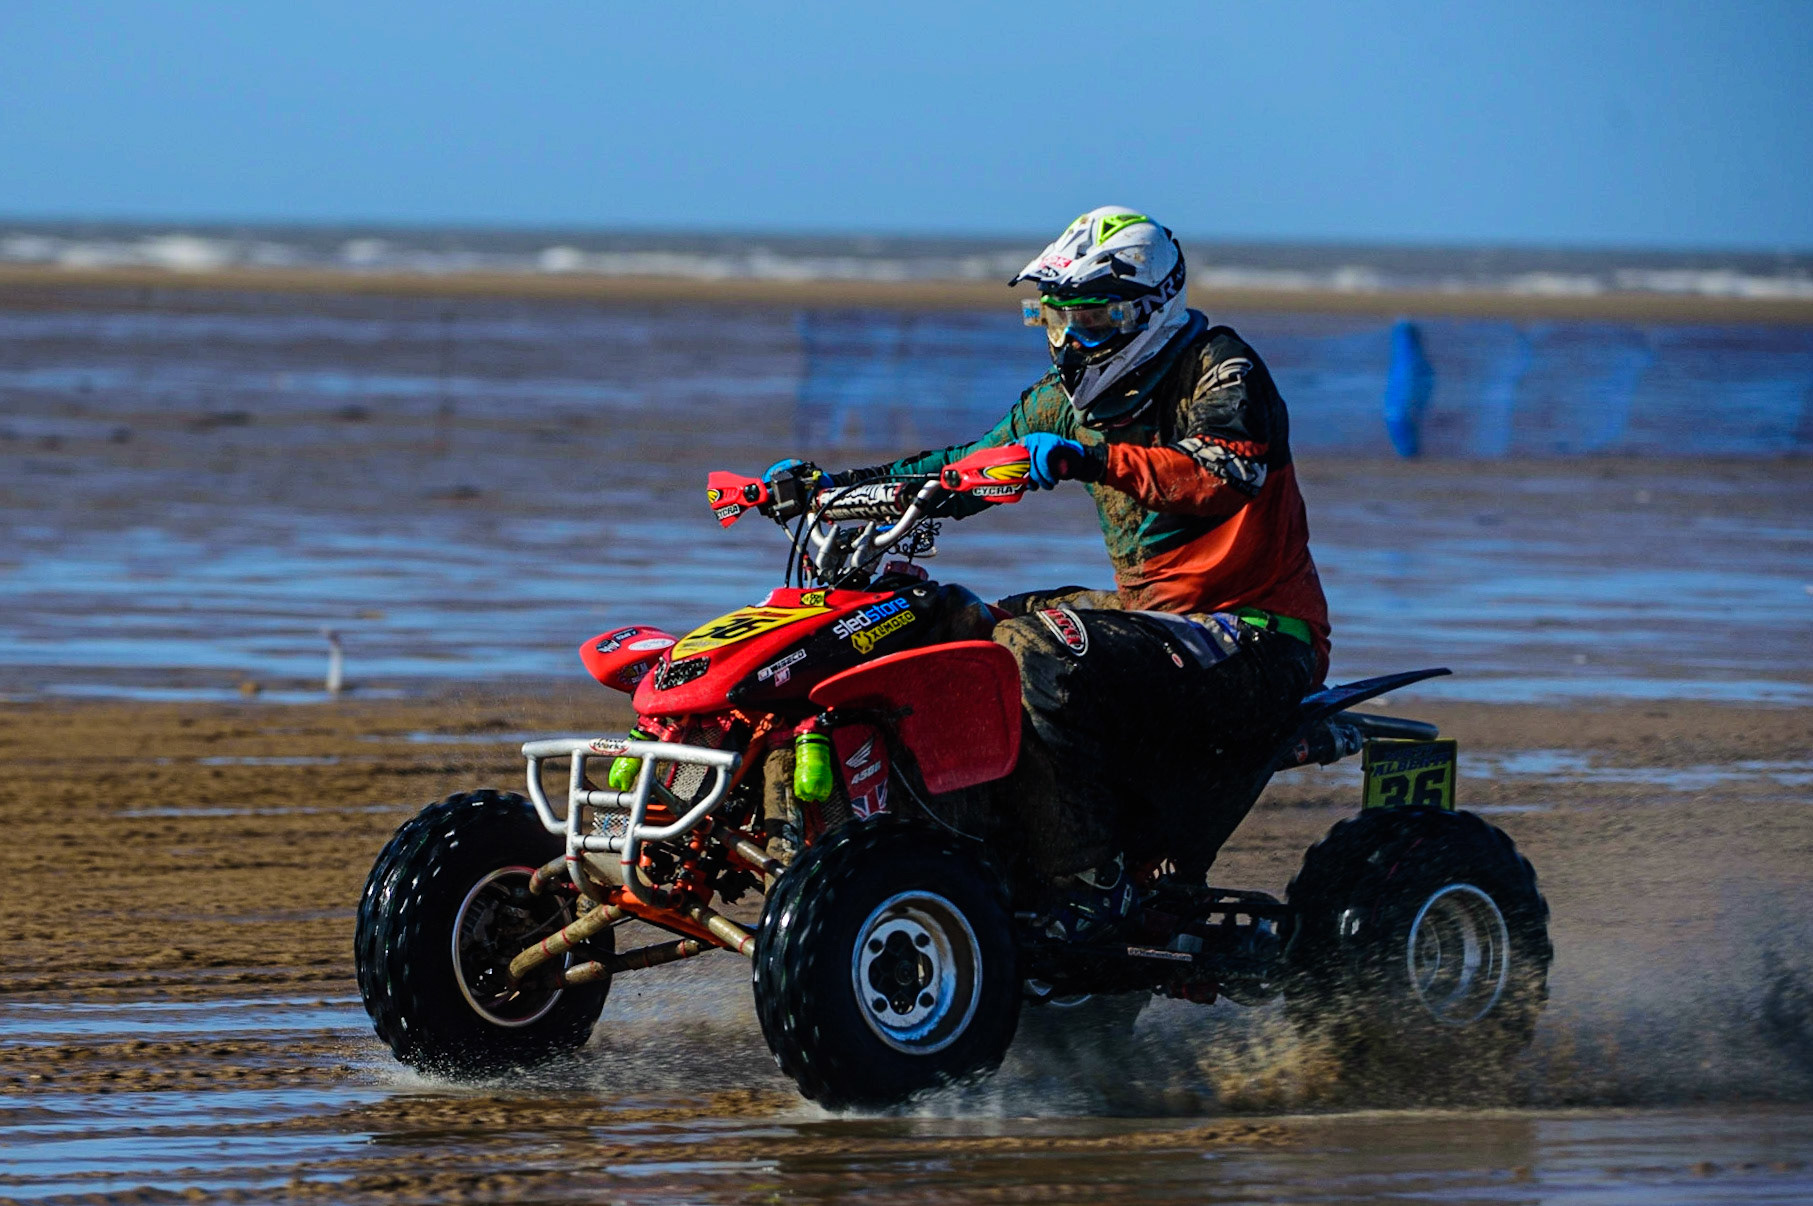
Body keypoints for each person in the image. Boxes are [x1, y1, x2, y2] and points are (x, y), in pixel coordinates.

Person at [779, 207, 1330, 939]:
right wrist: (828, 491)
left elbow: (1223, 473)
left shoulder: (1219, 366)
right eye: (1054, 317)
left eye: (1093, 317)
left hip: (1256, 636)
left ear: (1150, 309)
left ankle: (1091, 882)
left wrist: (1091, 460)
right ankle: (944, 845)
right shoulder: (1063, 403)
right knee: (943, 621)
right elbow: (963, 469)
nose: (1071, 339)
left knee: (1034, 649)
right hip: (1152, 619)